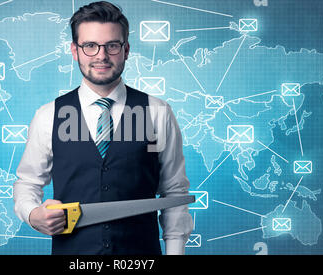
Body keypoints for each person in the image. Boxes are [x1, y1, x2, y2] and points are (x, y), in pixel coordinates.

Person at [13, 1, 193, 255]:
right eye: (90, 46)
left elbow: (174, 194)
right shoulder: (48, 116)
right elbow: (28, 182)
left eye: (112, 45)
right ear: (74, 50)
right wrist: (33, 214)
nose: (101, 55)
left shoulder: (158, 112)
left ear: (126, 50)